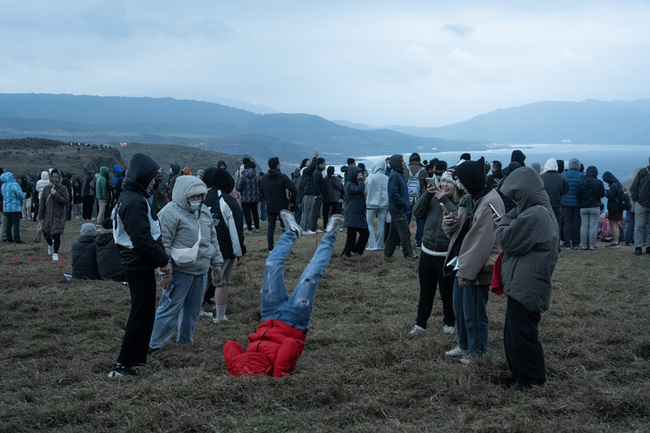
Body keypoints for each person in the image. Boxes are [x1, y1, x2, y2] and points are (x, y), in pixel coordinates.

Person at [223, 211, 344, 377]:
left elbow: (230, 345)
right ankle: (331, 233)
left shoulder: (237, 369)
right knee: (310, 276)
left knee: (271, 265)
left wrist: (233, 365)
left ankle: (291, 232)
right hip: (294, 321)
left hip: (268, 315)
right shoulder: (277, 369)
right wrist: (279, 373)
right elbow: (290, 344)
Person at [494, 166, 559, 389]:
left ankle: (532, 382)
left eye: (516, 196)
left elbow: (505, 239)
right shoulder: (540, 210)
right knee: (514, 336)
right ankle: (521, 377)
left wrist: (504, 219)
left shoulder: (534, 215)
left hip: (527, 287)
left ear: (524, 193)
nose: (514, 200)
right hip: (524, 284)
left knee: (522, 338)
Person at [109, 153, 170, 378]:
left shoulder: (136, 197)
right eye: (152, 178)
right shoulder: (133, 201)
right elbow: (142, 239)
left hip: (140, 262)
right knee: (140, 314)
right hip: (138, 263)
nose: (154, 182)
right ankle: (124, 364)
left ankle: (136, 361)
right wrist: (163, 262)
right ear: (143, 177)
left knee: (144, 314)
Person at [148, 175, 223, 352]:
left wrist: (216, 262)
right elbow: (162, 243)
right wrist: (165, 272)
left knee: (193, 310)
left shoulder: (203, 211)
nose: (197, 200)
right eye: (193, 196)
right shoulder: (169, 213)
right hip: (180, 272)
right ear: (182, 194)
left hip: (201, 270)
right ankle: (155, 345)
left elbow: (212, 237)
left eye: (200, 196)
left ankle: (185, 342)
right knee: (170, 309)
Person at [442, 157, 504, 363]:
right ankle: (465, 345)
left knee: (475, 311)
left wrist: (467, 272)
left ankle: (477, 352)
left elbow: (481, 241)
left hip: (477, 267)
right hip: (463, 263)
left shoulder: (489, 201)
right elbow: (460, 232)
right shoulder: (473, 197)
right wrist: (449, 224)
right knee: (460, 307)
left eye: (461, 181)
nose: (460, 186)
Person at [409, 169, 461, 335]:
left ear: (456, 185)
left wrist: (444, 199)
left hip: (446, 255)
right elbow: (417, 213)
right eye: (443, 181)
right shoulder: (432, 198)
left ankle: (449, 323)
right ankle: (420, 324)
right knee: (426, 292)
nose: (445, 184)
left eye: (449, 182)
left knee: (447, 293)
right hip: (427, 252)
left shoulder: (460, 202)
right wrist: (427, 195)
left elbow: (457, 218)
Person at [203, 167, 245, 323]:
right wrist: (239, 251)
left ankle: (197, 309)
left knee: (203, 279)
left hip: (202, 248)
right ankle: (220, 317)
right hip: (222, 250)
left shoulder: (201, 198)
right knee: (221, 282)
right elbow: (234, 228)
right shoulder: (228, 202)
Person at [260, 157, 297, 251]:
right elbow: (293, 189)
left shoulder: (264, 178)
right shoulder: (283, 177)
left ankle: (270, 248)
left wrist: (267, 198)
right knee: (284, 227)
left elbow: (260, 192)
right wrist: (292, 200)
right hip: (282, 205)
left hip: (270, 205)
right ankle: (285, 247)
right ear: (277, 166)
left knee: (271, 227)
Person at [384, 154, 417, 261]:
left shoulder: (397, 174)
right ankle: (408, 255)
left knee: (393, 232)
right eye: (402, 161)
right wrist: (403, 202)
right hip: (397, 208)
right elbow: (394, 193)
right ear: (397, 163)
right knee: (405, 231)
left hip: (396, 207)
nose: (404, 163)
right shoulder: (395, 175)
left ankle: (388, 254)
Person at [37, 169, 69, 261]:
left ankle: (55, 253)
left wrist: (56, 194)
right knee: (46, 234)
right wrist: (40, 216)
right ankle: (50, 244)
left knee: (56, 234)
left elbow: (66, 201)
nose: (55, 179)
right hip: (47, 215)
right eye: (53, 177)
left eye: (57, 177)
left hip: (58, 215)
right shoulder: (46, 188)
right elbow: (42, 203)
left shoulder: (63, 188)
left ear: (59, 177)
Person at [341, 166, 369, 257]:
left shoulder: (354, 183)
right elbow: (360, 189)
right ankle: (347, 254)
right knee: (351, 237)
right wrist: (361, 180)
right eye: (359, 173)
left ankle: (354, 252)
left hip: (357, 213)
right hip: (352, 213)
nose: (361, 175)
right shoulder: (350, 185)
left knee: (364, 233)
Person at [541, 158, 569, 242]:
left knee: (545, 224)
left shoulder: (541, 177)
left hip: (544, 205)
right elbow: (565, 191)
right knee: (557, 225)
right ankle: (556, 243)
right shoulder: (562, 177)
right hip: (557, 204)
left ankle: (545, 242)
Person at [577, 166, 605, 250]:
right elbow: (602, 194)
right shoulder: (599, 182)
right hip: (595, 206)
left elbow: (578, 195)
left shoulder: (582, 182)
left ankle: (584, 245)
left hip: (583, 206)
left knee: (584, 225)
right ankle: (592, 245)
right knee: (593, 226)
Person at [404, 153, 427, 248]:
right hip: (418, 199)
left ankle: (405, 242)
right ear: (419, 160)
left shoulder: (406, 169)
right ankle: (419, 242)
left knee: (406, 221)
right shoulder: (423, 170)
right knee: (420, 221)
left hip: (406, 199)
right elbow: (425, 187)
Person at [365, 159, 389, 251]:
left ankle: (372, 244)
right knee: (381, 224)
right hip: (384, 204)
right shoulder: (387, 178)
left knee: (369, 223)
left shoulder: (370, 177)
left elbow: (365, 191)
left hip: (371, 204)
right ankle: (379, 245)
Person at [561, 158, 585, 249]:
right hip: (578, 203)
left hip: (566, 202)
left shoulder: (563, 175)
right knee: (577, 223)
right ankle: (576, 243)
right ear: (578, 166)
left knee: (567, 223)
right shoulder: (582, 176)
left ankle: (567, 242)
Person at [630, 158, 650, 256]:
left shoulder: (642, 172)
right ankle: (638, 247)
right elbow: (634, 188)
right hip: (641, 203)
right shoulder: (643, 172)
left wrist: (636, 199)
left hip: (641, 203)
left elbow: (633, 188)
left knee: (639, 226)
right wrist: (636, 200)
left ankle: (645, 247)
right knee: (639, 226)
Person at [1, 171, 26, 243]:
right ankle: (17, 238)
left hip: (6, 207)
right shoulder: (15, 185)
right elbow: (20, 194)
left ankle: (9, 238)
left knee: (8, 223)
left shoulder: (3, 186)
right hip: (15, 207)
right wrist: (25, 195)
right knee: (16, 224)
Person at [236, 159, 261, 233]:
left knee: (247, 213)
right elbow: (260, 185)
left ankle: (249, 228)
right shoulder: (257, 175)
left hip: (245, 198)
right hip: (255, 197)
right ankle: (257, 227)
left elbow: (238, 187)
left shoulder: (243, 176)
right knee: (255, 212)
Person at [603, 171, 626, 248]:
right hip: (619, 208)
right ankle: (616, 241)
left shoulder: (613, 186)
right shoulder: (618, 184)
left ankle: (615, 242)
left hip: (614, 208)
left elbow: (610, 196)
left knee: (613, 225)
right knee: (616, 225)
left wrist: (605, 192)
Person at [622, 167, 643, 246]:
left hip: (629, 205)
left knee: (629, 223)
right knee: (640, 225)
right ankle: (640, 241)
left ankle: (627, 240)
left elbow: (623, 190)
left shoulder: (627, 181)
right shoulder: (643, 181)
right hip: (640, 205)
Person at [300, 152, 319, 234]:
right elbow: (313, 166)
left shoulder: (308, 172)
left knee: (306, 212)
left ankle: (303, 228)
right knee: (307, 212)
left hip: (309, 193)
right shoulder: (306, 171)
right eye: (308, 161)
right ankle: (305, 229)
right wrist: (315, 157)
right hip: (308, 194)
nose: (310, 161)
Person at [322, 166, 344, 231]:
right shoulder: (333, 179)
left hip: (330, 198)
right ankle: (327, 226)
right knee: (333, 213)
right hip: (332, 198)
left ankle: (326, 226)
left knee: (329, 213)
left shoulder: (326, 179)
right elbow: (340, 187)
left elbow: (338, 186)